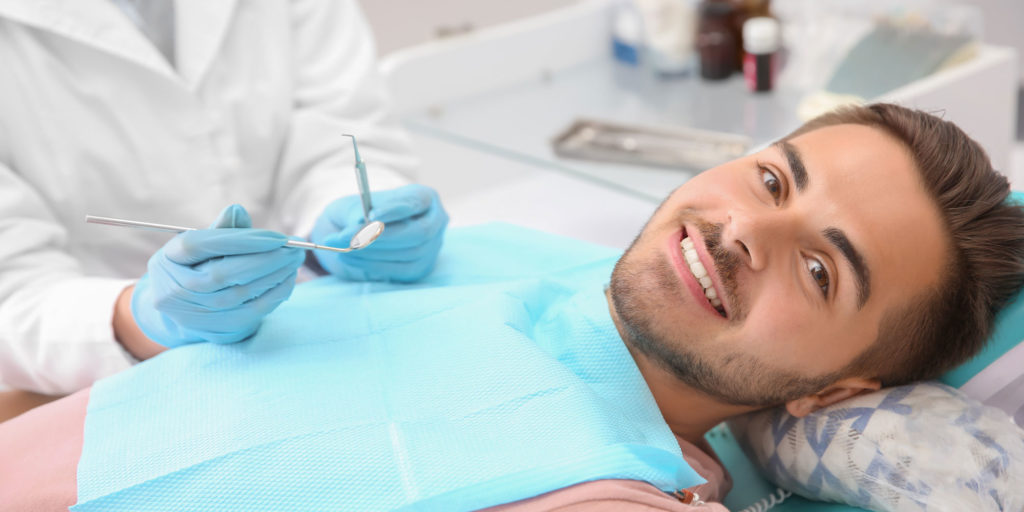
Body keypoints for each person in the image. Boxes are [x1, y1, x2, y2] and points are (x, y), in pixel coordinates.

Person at [1, 104, 1022, 511]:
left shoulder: (611, 486)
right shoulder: (511, 254)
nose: (748, 231)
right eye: (770, 178)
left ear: (842, 387)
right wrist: (152, 316)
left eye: (820, 272)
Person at [0, 0, 447, 396]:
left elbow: (344, 124)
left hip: (324, 327)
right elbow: (12, 297)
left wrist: (351, 210)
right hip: (118, 385)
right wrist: (144, 315)